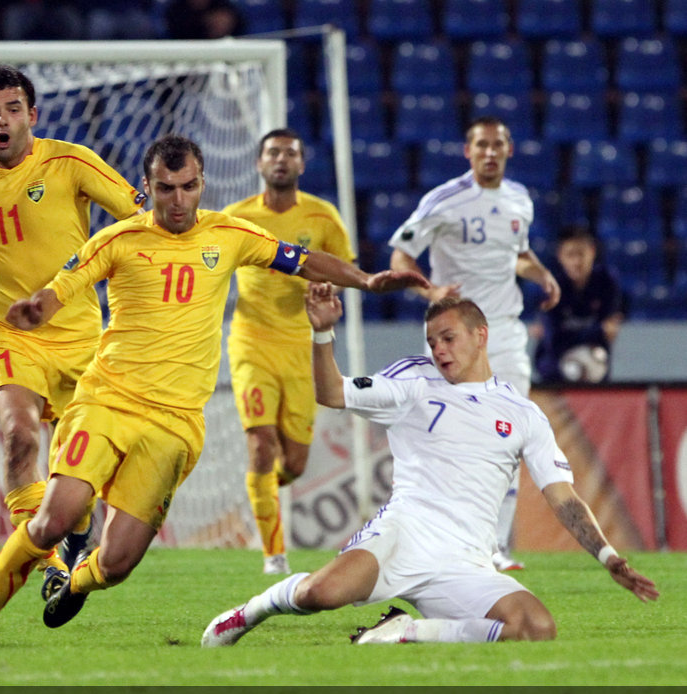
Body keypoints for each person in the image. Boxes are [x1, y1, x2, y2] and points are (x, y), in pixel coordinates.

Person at [0, 134, 430, 632]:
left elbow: (301, 260)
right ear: (147, 188)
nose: (178, 200)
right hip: (107, 400)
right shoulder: (118, 240)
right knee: (53, 518)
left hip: (174, 425)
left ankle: (78, 581)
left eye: (188, 187)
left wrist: (365, 280)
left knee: (117, 563)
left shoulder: (229, 234)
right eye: (166, 188)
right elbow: (64, 286)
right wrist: (36, 308)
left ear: (202, 184)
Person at [202, 292, 659, 648]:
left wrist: (609, 557)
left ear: (480, 336)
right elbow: (332, 393)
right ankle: (250, 611)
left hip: (466, 561)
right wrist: (323, 334)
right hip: (405, 535)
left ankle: (406, 633)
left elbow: (563, 497)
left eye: (448, 338)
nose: (439, 350)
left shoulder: (524, 414)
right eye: (433, 341)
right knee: (318, 595)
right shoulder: (413, 382)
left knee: (535, 627)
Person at [0, 65, 145, 578]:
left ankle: (76, 532)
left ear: (32, 116)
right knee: (20, 435)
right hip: (7, 335)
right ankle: (43, 563)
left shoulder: (71, 162)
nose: (3, 119)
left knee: (81, 470)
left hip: (82, 336)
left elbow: (138, 215)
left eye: (14, 108)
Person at [388, 115, 561, 572]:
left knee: (511, 437)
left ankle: (493, 548)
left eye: (497, 145)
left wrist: (540, 272)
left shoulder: (519, 200)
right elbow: (401, 254)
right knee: (445, 438)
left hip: (502, 331)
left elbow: (517, 254)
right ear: (468, 152)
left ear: (509, 150)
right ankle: (434, 538)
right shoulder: (443, 200)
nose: (489, 152)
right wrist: (429, 292)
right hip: (452, 335)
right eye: (481, 145)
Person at [223, 128, 356, 574]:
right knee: (261, 445)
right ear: (259, 164)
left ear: (301, 164)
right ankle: (274, 556)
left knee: (293, 464)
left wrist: (329, 284)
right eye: (273, 153)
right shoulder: (236, 217)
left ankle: (259, 492)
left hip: (302, 349)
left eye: (290, 153)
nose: (281, 159)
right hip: (251, 343)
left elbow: (344, 267)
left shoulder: (322, 217)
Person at [534, 228, 624, 384]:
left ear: (592, 252)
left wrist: (601, 332)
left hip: (594, 363)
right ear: (560, 256)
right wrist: (597, 330)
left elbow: (607, 334)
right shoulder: (551, 289)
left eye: (581, 254)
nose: (576, 262)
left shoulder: (607, 283)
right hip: (554, 370)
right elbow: (554, 341)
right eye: (570, 255)